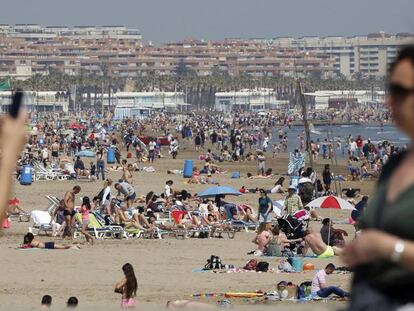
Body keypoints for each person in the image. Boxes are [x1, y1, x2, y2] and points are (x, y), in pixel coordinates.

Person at [342, 46, 414, 311]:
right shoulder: (394, 164)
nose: (389, 101)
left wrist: (387, 247)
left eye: (400, 91)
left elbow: (384, 244)